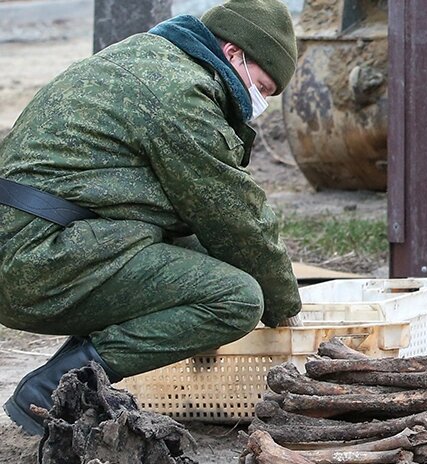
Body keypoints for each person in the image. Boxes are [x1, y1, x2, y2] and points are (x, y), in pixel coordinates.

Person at [0, 0, 303, 435]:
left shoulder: (149, 58)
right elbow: (234, 214)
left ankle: (64, 381)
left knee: (212, 257)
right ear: (234, 53)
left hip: (38, 241)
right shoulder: (181, 94)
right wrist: (286, 306)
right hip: (36, 258)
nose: (261, 102)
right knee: (236, 298)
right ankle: (55, 390)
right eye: (263, 87)